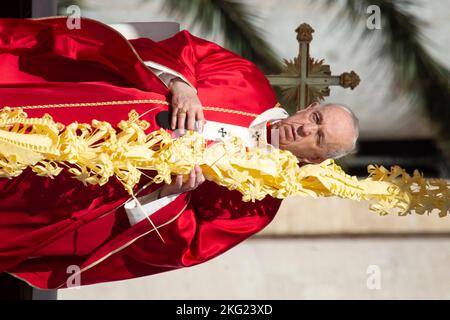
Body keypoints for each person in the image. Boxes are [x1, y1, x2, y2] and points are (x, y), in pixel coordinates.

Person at [0, 17, 358, 289]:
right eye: (315, 118)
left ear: (315, 159)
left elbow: (179, 249)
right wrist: (181, 83)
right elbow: (186, 49)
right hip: (81, 107)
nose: (306, 129)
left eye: (319, 137)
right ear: (309, 106)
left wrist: (171, 196)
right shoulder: (247, 80)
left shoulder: (257, 206)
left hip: (83, 189)